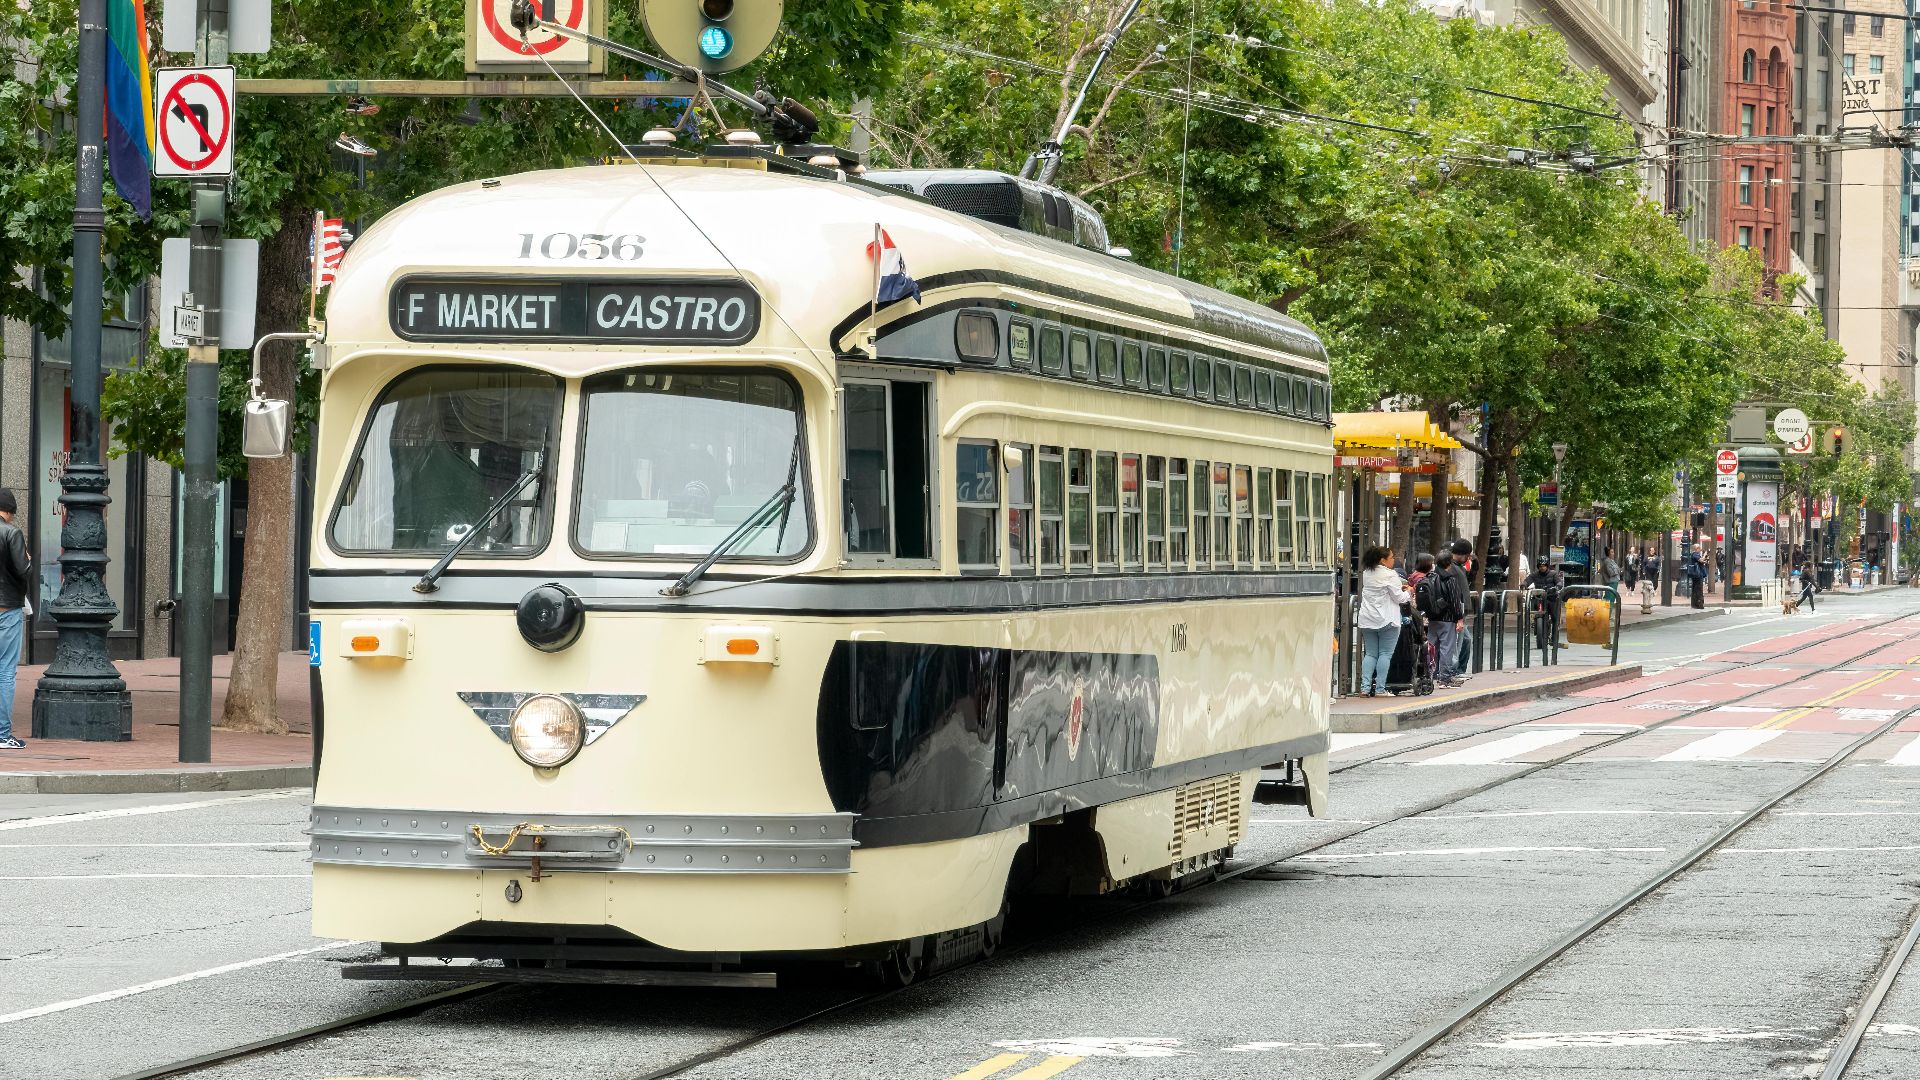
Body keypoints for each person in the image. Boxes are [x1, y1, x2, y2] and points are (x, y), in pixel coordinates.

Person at [1356, 546, 1412, 696]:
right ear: (1383, 560)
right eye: (1391, 557)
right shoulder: (1390, 574)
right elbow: (1399, 598)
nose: (1393, 560)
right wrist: (1409, 592)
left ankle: (1365, 688)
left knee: (1371, 654)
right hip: (1387, 619)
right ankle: (1380, 689)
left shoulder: (1367, 573)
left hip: (1367, 618)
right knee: (1385, 654)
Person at [0, 489, 28, 750]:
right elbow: (22, 570)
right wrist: (28, 561)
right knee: (5, 671)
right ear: (9, 511)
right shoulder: (11, 533)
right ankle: (2, 734)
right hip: (6, 609)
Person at [1428, 550, 1468, 688]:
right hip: (1447, 619)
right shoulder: (1450, 579)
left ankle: (1428, 675)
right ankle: (1444, 678)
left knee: (1431, 647)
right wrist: (1460, 619)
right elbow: (1455, 601)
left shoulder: (1430, 577)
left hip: (1432, 618)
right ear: (1449, 563)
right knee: (1447, 648)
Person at [1448, 539, 1476, 677]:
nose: (1468, 559)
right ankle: (1454, 671)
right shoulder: (1451, 567)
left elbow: (1467, 580)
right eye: (1467, 556)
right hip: (1456, 610)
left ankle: (1459, 670)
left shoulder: (1458, 567)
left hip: (1461, 610)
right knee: (1458, 642)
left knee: (1465, 640)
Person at [1682, 542, 1708, 609]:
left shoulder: (1692, 554)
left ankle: (1694, 604)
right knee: (1699, 589)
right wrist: (1705, 555)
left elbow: (1699, 562)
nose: (1700, 550)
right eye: (1700, 548)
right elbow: (1701, 560)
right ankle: (1699, 604)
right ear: (1697, 549)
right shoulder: (1695, 554)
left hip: (1695, 574)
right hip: (1698, 574)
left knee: (1695, 588)